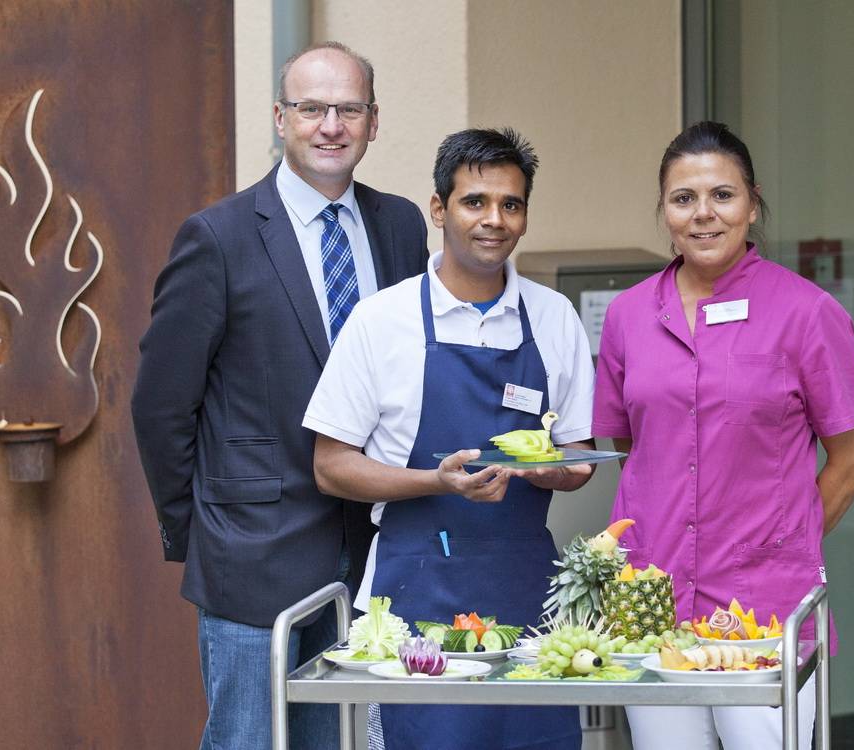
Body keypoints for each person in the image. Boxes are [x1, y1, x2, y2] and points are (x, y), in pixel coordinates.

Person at [130, 42, 428, 750]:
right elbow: (161, 405)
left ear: (373, 121)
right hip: (251, 559)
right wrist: (200, 529)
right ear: (279, 119)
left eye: (348, 108)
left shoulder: (401, 226)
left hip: (378, 557)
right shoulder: (218, 237)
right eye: (311, 108)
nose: (331, 125)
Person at [303, 127, 594, 750]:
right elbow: (330, 466)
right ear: (439, 209)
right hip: (417, 594)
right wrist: (436, 482)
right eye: (475, 202)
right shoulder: (381, 321)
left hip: (528, 592)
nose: (494, 220)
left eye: (511, 205)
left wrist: (546, 470)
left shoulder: (553, 318)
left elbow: (578, 456)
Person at [593, 121, 854, 750]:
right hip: (652, 606)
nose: (703, 215)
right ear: (664, 210)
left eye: (722, 195)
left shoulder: (807, 313)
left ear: (752, 203)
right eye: (683, 198)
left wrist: (782, 539)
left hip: (763, 610)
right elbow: (626, 446)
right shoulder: (628, 316)